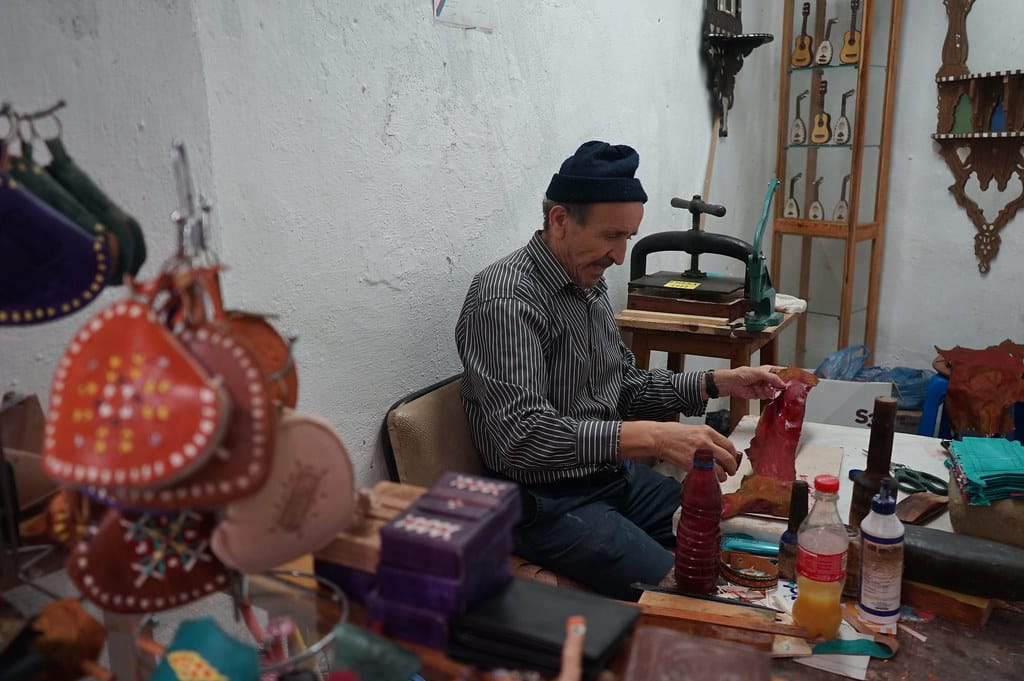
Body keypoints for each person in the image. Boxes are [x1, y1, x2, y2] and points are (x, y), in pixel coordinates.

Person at [455, 140, 784, 599]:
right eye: (612, 237)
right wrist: (656, 438)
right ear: (560, 221)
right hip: (543, 503)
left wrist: (715, 383)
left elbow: (623, 386)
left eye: (628, 238)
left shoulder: (586, 282)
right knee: (690, 587)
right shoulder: (506, 300)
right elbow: (522, 440)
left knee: (735, 531)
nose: (620, 257)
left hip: (611, 478)